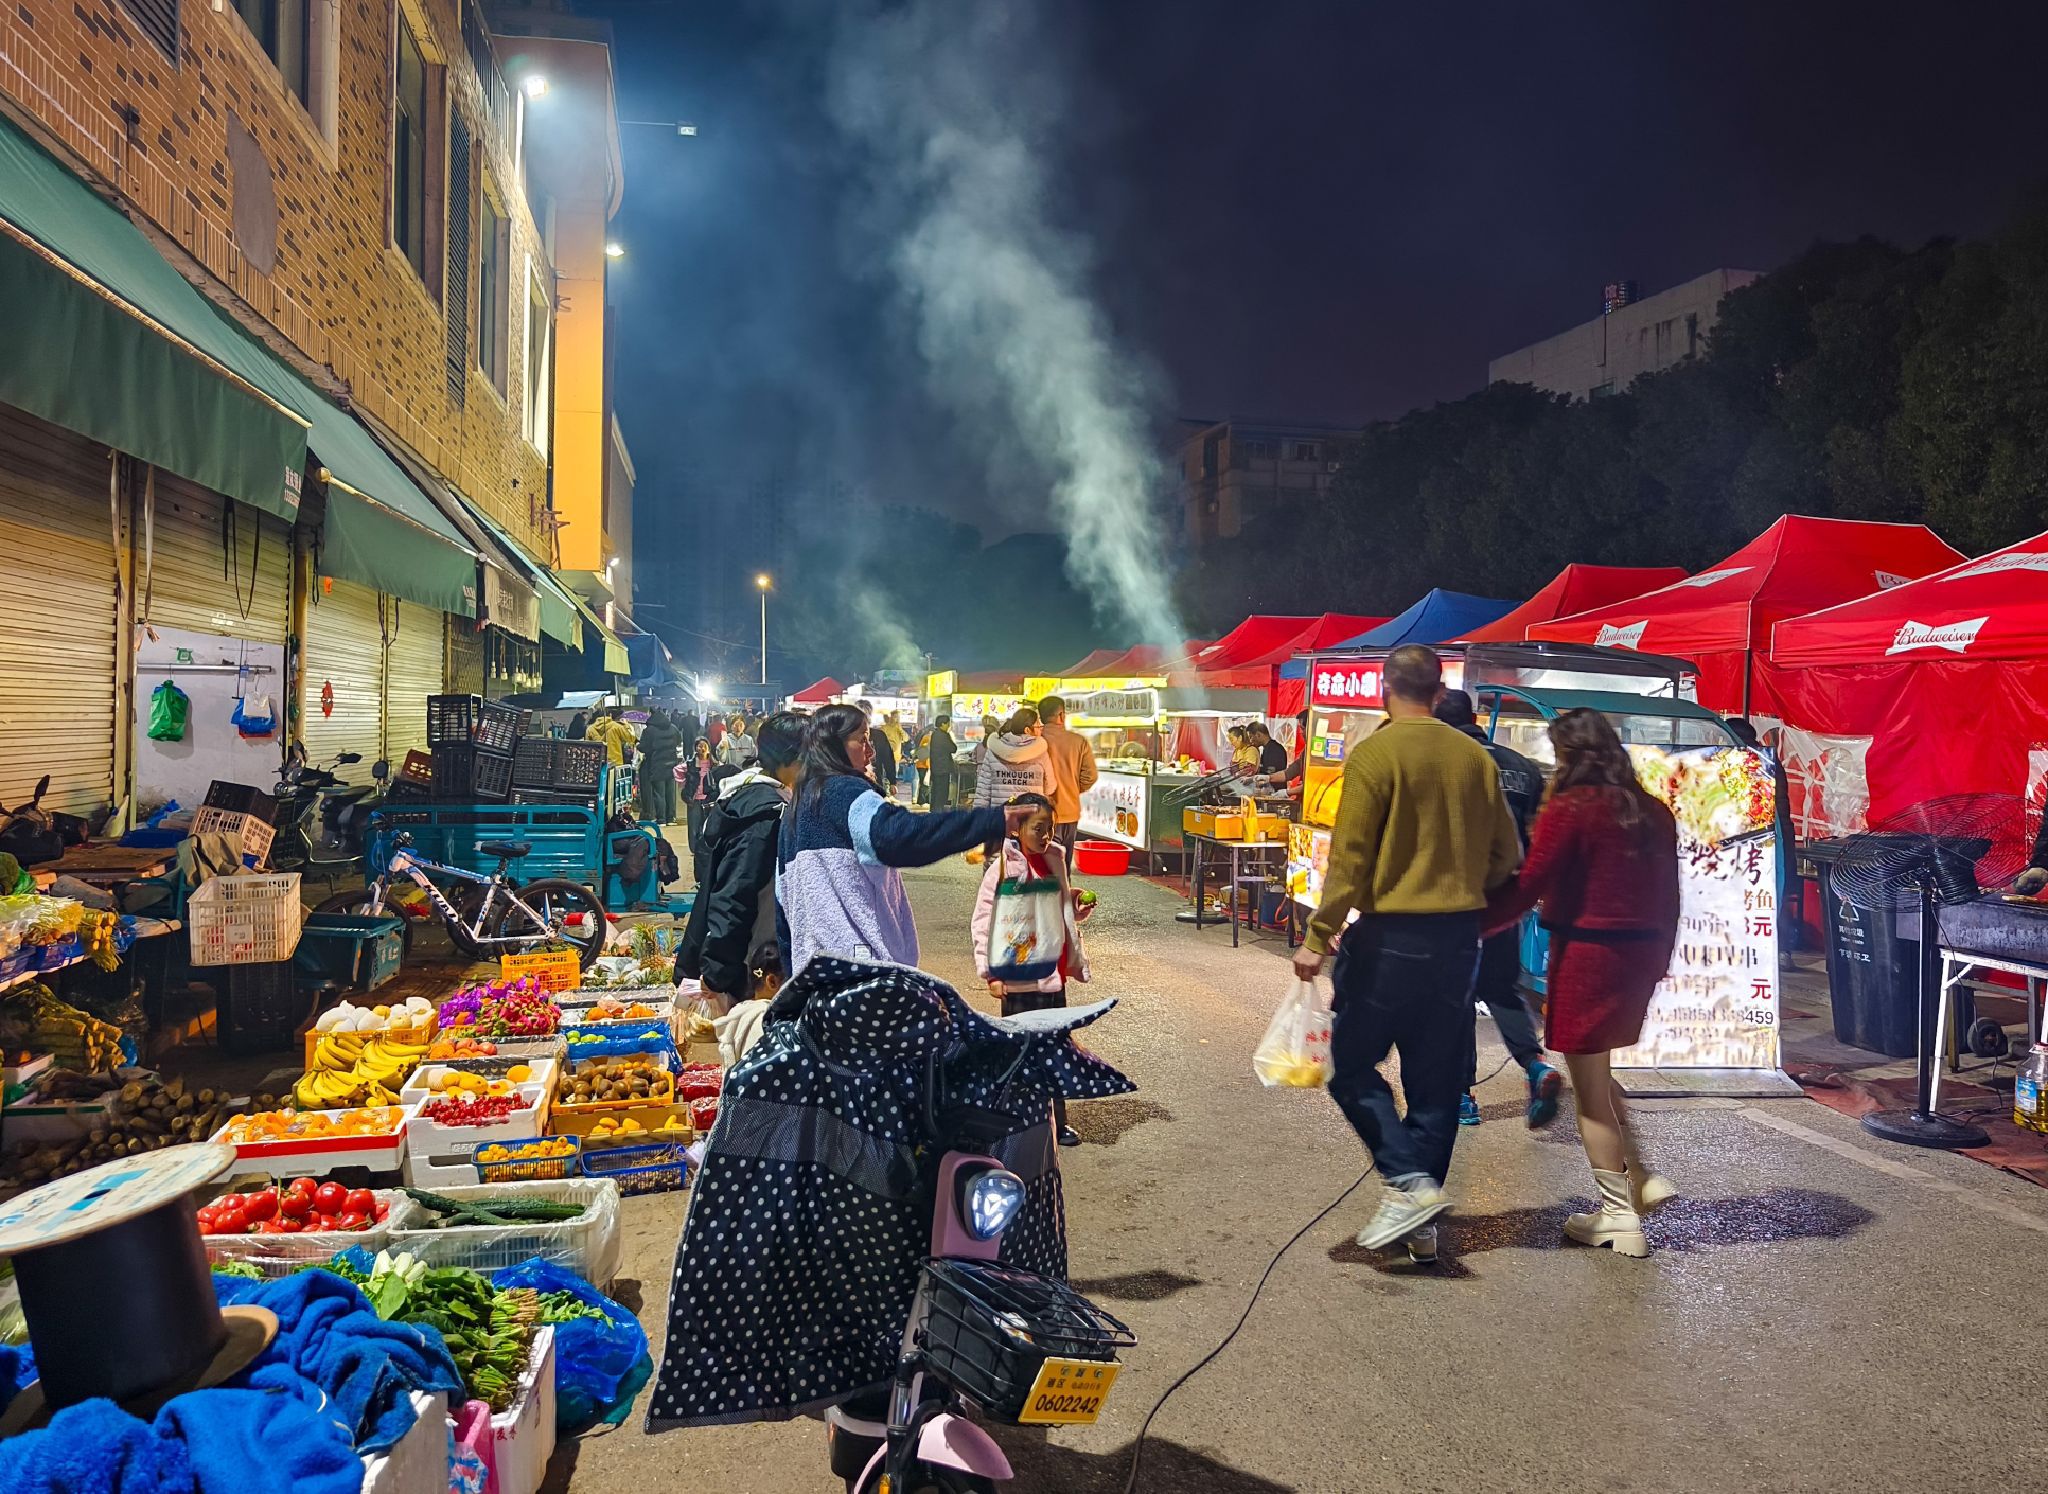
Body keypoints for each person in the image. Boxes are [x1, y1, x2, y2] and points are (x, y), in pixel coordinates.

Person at [1291, 645, 1521, 1261]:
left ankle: (1408, 1181)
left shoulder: (1375, 756)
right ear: (1440, 691)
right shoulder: (1475, 759)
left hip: (1390, 940)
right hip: (1458, 944)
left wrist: (1318, 938)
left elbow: (1350, 861)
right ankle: (1418, 1225)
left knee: (1350, 1064)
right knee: (1435, 1084)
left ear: (1384, 689)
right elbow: (1509, 858)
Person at [1485, 709, 1681, 1259]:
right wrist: (1660, 959)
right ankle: (1640, 1176)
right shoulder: (1652, 811)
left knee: (1589, 1092)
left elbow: (1531, 882)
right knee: (1597, 1072)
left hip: (1589, 955)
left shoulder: (1571, 809)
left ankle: (1619, 1217)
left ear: (1566, 755)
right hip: (1641, 955)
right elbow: (1671, 894)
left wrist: (1475, 925)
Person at [778, 703, 1032, 975]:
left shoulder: (798, 805)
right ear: (832, 745)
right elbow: (901, 836)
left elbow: (785, 906)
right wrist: (990, 821)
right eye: (861, 739)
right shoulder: (845, 792)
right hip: (862, 975)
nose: (871, 750)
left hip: (813, 976)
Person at [1432, 690, 1563, 1128]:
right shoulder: (1522, 766)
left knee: (1456, 999)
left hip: (1452, 899)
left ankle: (1461, 1094)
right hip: (1506, 898)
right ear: (1474, 716)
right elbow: (1537, 832)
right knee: (1502, 989)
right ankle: (1534, 1064)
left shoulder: (1445, 763)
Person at [973, 791, 1091, 1146]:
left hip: (1052, 974)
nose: (1046, 835)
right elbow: (983, 921)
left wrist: (1074, 905)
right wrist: (990, 974)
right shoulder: (1002, 869)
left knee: (1056, 1047)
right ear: (1017, 829)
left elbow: (1055, 908)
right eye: (1038, 828)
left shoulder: (1054, 859)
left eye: (1051, 828)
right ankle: (1020, 1119)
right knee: (1022, 1049)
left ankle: (1057, 1120)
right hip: (1019, 977)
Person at [679, 712, 805, 1003]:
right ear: (790, 758)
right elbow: (734, 894)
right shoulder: (765, 817)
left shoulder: (749, 797)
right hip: (754, 969)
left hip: (753, 962)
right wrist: (719, 972)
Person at [1036, 695, 1099, 854]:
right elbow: (1091, 776)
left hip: (1040, 812)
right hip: (1069, 812)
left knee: (1042, 865)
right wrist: (1072, 789)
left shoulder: (1034, 740)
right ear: (1061, 715)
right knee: (1064, 866)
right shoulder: (1079, 741)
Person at [974, 707, 1056, 809]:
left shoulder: (993, 750)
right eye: (1038, 726)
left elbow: (982, 792)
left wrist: (978, 819)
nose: (1041, 729)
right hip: (1030, 815)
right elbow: (1050, 787)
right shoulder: (1041, 753)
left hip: (1001, 816)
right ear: (1027, 730)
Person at [678, 738, 719, 882]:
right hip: (695, 800)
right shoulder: (690, 764)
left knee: (708, 825)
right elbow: (677, 771)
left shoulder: (714, 764)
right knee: (694, 827)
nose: (702, 749)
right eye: (699, 746)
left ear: (708, 747)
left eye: (704, 746)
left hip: (710, 800)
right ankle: (695, 850)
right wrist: (684, 788)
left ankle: (706, 850)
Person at [636, 708, 682, 826]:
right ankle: (671, 818)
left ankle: (661, 819)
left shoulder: (649, 731)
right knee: (670, 793)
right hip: (671, 763)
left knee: (659, 793)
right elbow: (678, 741)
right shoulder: (673, 728)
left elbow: (643, 747)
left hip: (656, 765)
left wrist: (638, 745)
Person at [858, 699, 898, 797]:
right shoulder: (847, 736)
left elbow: (888, 758)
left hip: (875, 783)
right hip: (856, 783)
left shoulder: (879, 735)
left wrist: (892, 781)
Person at [925, 716, 959, 811]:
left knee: (936, 791)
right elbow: (953, 748)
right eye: (948, 723)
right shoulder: (943, 735)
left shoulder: (935, 734)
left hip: (936, 768)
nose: (949, 726)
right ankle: (938, 813)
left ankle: (934, 811)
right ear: (942, 724)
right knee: (942, 793)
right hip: (943, 769)